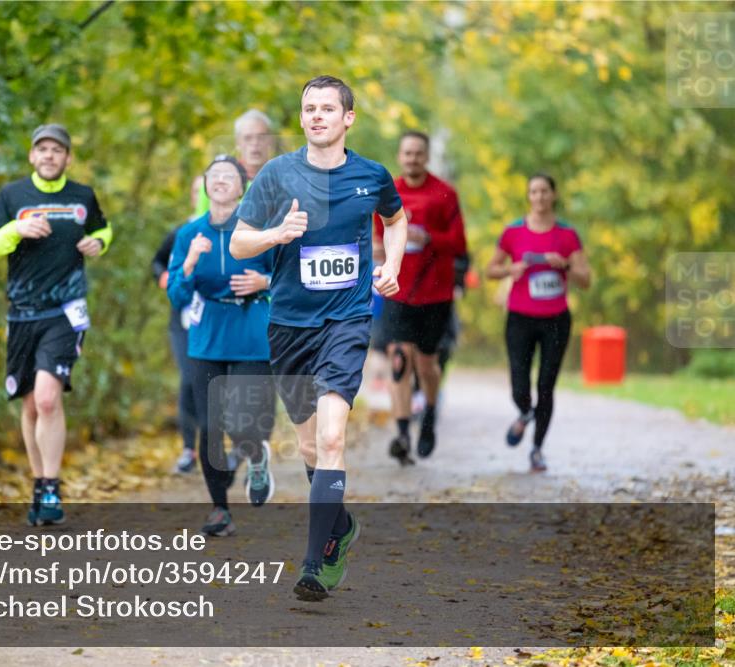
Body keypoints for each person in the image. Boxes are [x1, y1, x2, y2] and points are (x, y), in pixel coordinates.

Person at [230, 76, 407, 601]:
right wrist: (276, 234)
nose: (317, 116)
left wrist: (392, 265)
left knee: (332, 440)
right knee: (309, 445)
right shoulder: (277, 174)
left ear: (348, 117)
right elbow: (238, 244)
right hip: (289, 326)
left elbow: (396, 220)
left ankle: (316, 561)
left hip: (346, 322)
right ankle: (341, 525)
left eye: (328, 108)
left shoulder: (371, 175)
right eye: (309, 108)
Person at [0, 124, 112, 525]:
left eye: (57, 150)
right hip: (22, 312)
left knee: (49, 398)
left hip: (66, 312)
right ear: (32, 157)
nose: (49, 156)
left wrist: (100, 243)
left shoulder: (83, 195)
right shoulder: (12, 196)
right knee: (32, 403)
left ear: (68, 158)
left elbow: (102, 228)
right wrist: (14, 230)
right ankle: (39, 485)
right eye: (43, 149)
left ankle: (51, 487)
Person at [168, 155, 276, 536]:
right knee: (210, 426)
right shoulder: (189, 234)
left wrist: (263, 283)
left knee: (242, 420)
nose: (220, 180)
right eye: (213, 175)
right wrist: (190, 262)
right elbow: (177, 296)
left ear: (242, 187)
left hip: (250, 332)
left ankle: (255, 453)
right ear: (205, 185)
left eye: (229, 176)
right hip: (207, 335)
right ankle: (220, 509)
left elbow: (288, 276)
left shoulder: (260, 229)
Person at [485, 173, 591, 472]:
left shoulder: (567, 234)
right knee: (519, 384)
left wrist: (566, 265)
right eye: (534, 191)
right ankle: (525, 412)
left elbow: (586, 280)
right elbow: (490, 270)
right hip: (519, 318)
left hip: (556, 320)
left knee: (546, 386)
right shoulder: (513, 231)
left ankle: (537, 449)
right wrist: (510, 270)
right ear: (528, 196)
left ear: (553, 195)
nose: (540, 197)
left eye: (545, 191)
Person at [374, 131, 467, 463]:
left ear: (426, 157)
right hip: (397, 290)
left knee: (427, 364)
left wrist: (428, 238)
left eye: (418, 153)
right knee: (399, 360)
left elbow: (459, 244)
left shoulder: (445, 193)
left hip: (434, 293)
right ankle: (402, 435)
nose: (412, 158)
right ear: (400, 156)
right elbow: (378, 238)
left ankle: (428, 414)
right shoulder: (389, 193)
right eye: (407, 153)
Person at [151, 180, 204, 474]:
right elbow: (157, 262)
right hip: (183, 321)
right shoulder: (180, 233)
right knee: (188, 377)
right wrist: (163, 277)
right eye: (197, 191)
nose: (202, 196)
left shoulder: (232, 231)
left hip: (217, 320)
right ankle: (188, 449)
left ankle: (219, 446)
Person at [193, 109, 276, 217]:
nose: (255, 143)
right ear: (238, 142)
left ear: (270, 140)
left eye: (261, 137)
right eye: (248, 138)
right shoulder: (214, 181)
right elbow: (199, 223)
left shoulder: (284, 177)